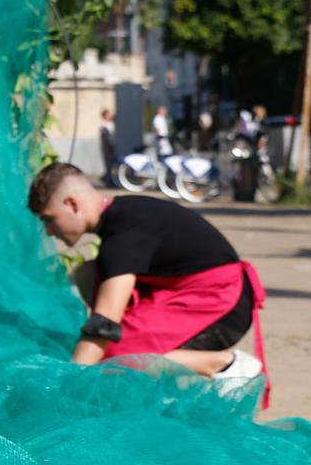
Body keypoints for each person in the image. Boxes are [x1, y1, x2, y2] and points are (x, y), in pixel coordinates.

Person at [29, 162, 265, 396]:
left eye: (49, 219)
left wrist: (68, 384)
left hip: (225, 305)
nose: (50, 231)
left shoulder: (122, 236)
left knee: (114, 354)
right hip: (195, 291)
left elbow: (104, 325)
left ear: (72, 204)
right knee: (89, 275)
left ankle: (226, 364)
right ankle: (190, 378)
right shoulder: (123, 215)